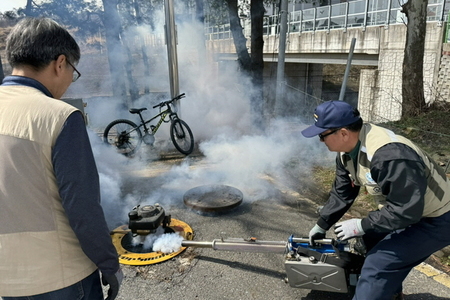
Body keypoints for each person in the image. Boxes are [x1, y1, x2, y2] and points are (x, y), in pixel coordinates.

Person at [0, 18, 122, 300]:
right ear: (60, 63)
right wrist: (109, 264)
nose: (70, 81)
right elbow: (82, 208)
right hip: (62, 280)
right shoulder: (59, 116)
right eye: (72, 72)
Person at [301, 100, 450, 300]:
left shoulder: (390, 155)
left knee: (378, 264)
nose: (321, 141)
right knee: (371, 239)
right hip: (408, 211)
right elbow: (343, 192)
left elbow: (406, 210)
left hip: (437, 219)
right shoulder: (347, 151)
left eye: (322, 136)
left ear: (343, 133)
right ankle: (388, 294)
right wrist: (322, 224)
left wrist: (362, 224)